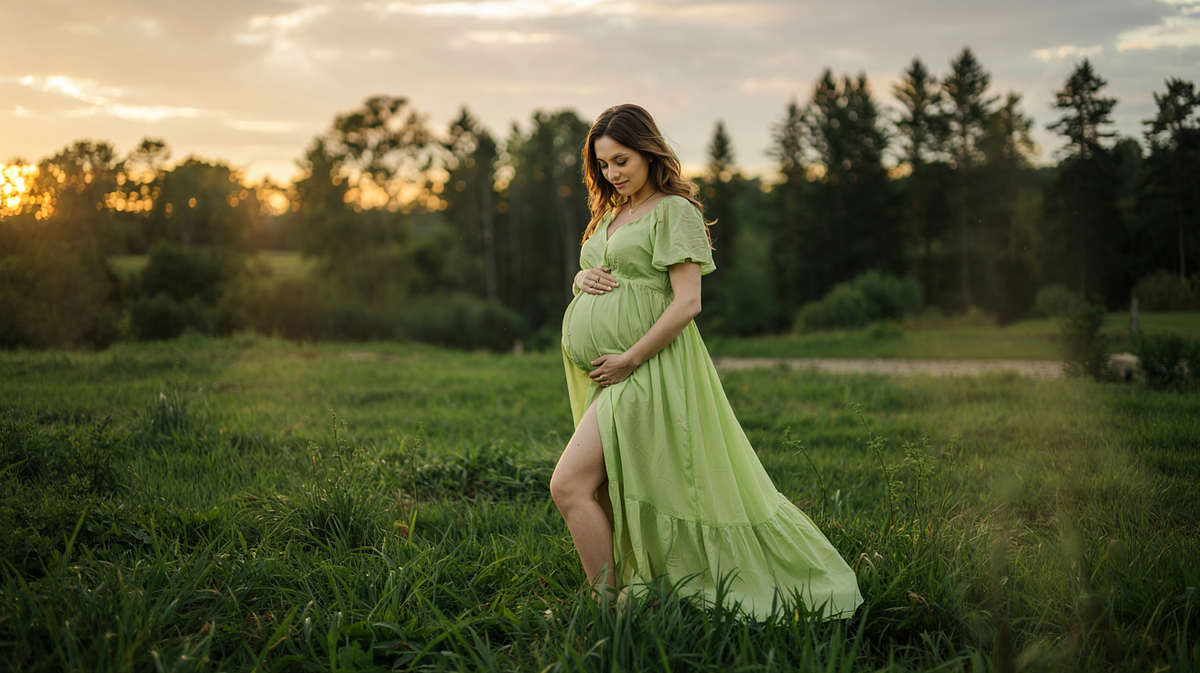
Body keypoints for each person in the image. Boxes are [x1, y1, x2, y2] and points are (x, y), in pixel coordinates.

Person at [550, 103, 863, 620]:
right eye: (603, 164)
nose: (613, 173)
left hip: (647, 370)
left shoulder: (674, 211)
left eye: (622, 160)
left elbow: (688, 302)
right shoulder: (610, 213)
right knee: (603, 486)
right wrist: (579, 279)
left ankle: (606, 606)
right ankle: (619, 597)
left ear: (649, 152)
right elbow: (601, 273)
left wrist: (629, 358)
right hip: (612, 376)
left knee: (569, 485)